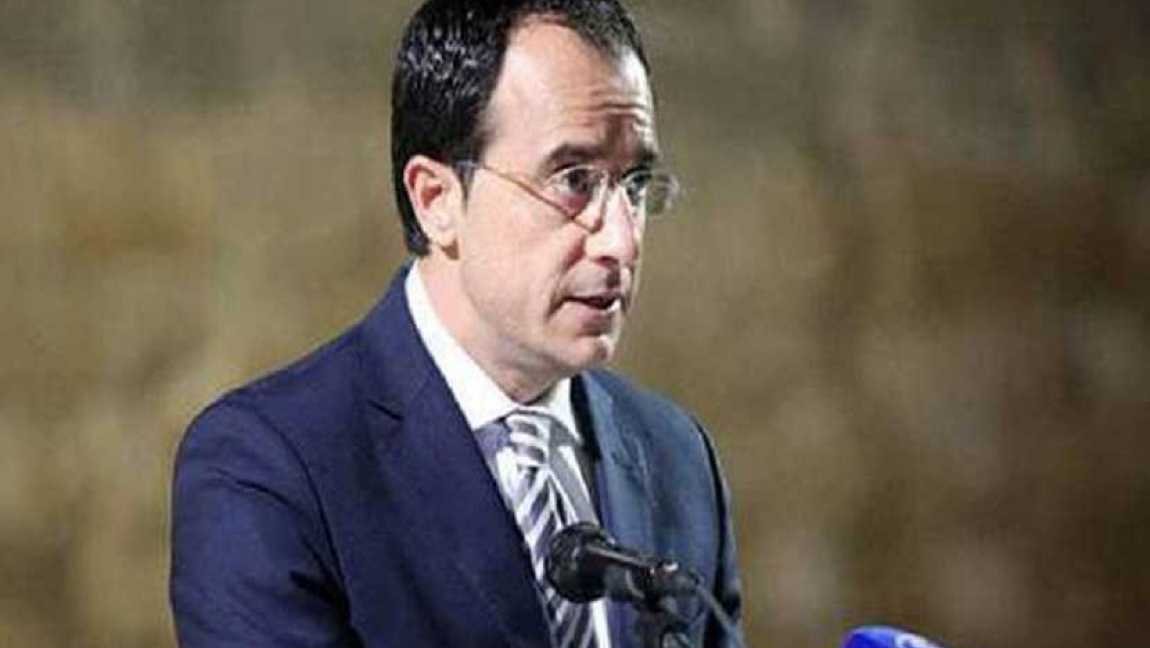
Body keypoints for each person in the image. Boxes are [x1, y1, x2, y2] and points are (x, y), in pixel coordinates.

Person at [170, 1, 741, 646]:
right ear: (436, 200)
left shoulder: (677, 457)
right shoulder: (267, 468)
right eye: (574, 180)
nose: (622, 241)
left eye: (634, 184)